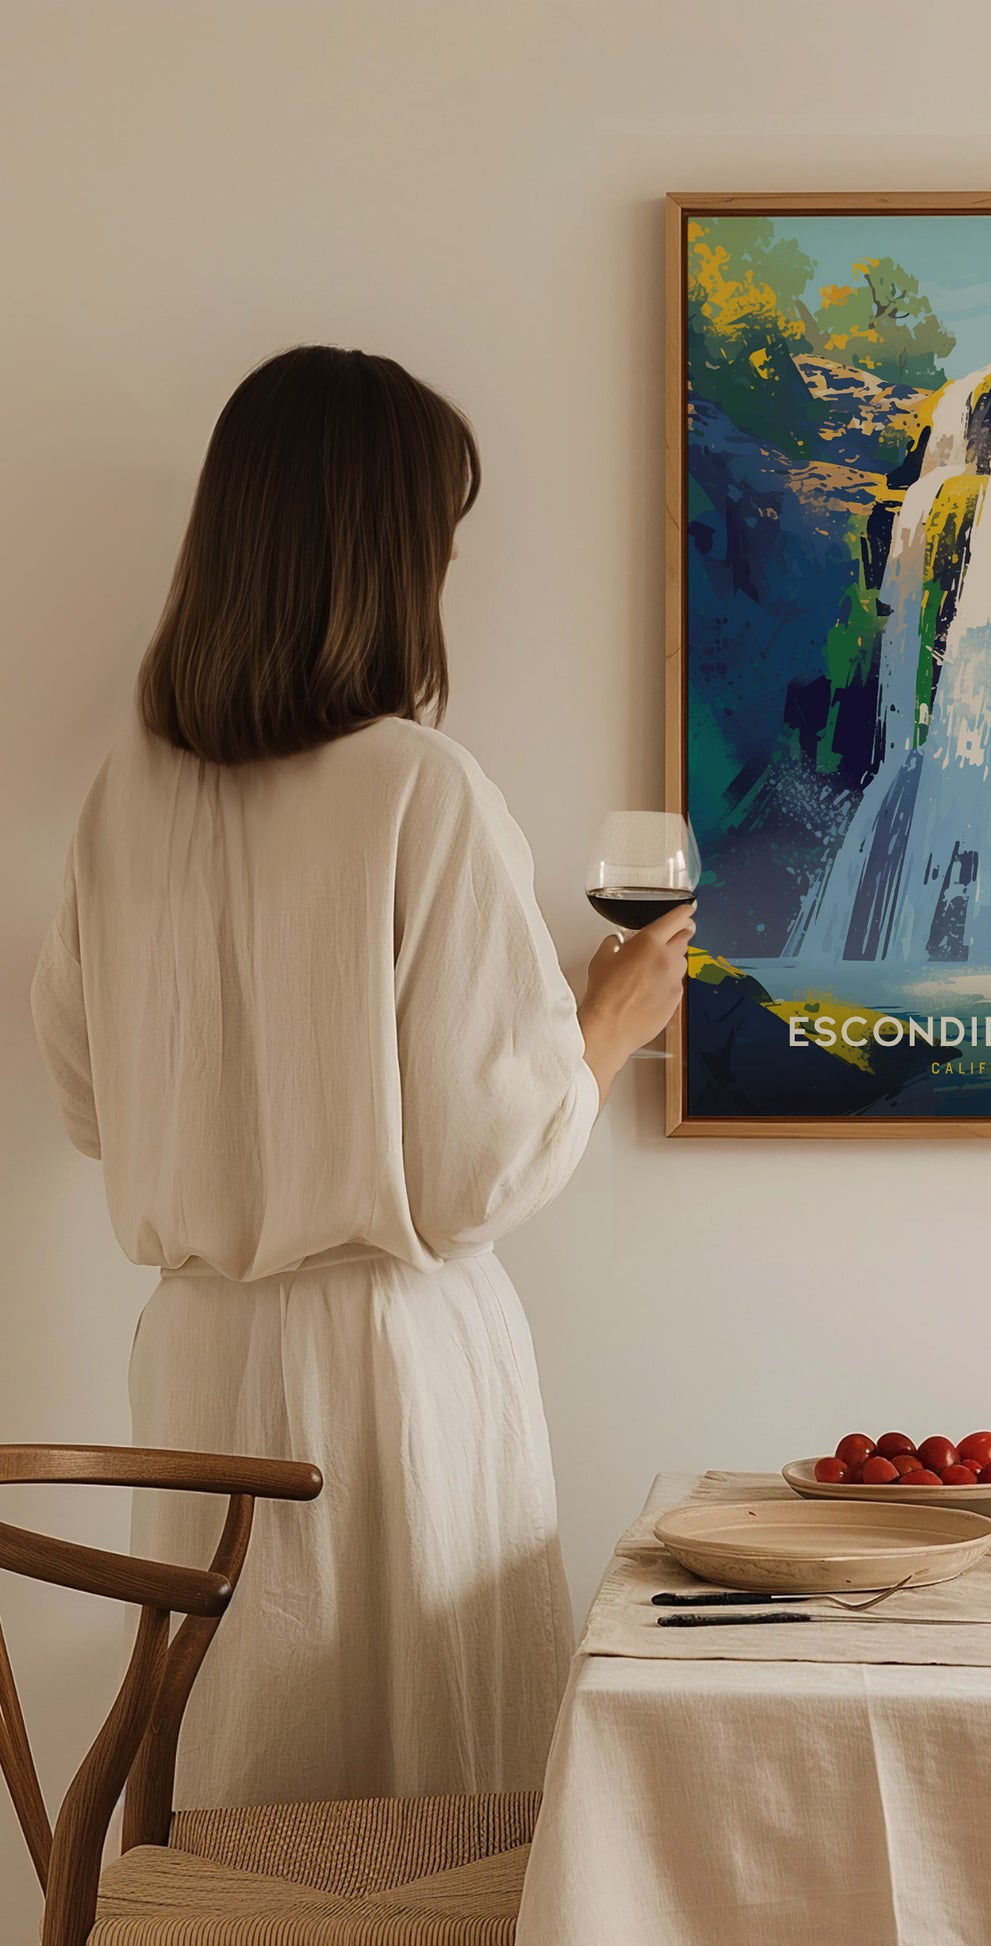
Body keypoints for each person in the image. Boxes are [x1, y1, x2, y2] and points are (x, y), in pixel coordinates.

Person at [29, 345, 690, 1806]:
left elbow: (87, 1100)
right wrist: (605, 1021)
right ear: (387, 556)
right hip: (390, 1372)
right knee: (424, 1811)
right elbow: (473, 1173)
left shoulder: (122, 797)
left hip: (197, 1361)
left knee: (241, 1791)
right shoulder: (417, 785)